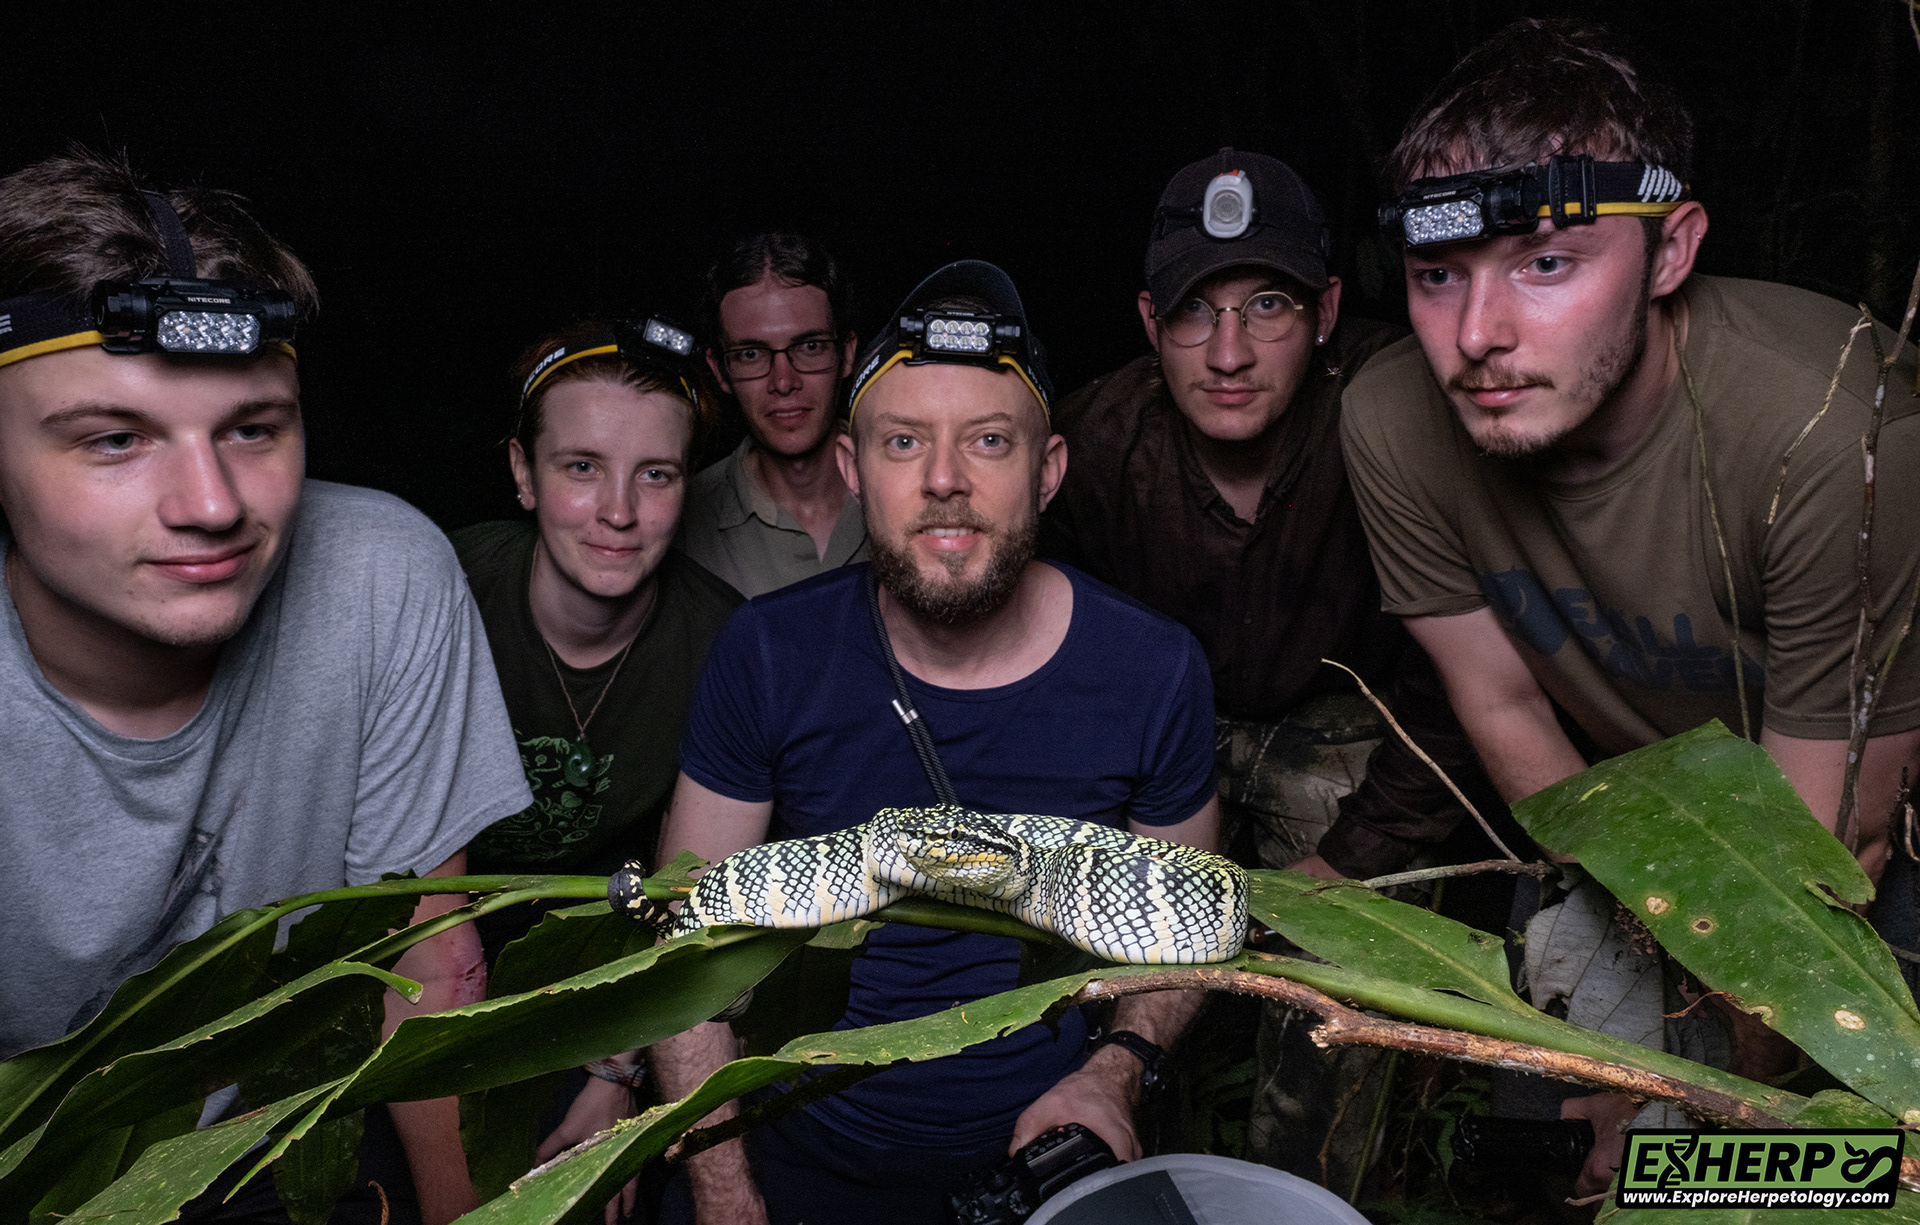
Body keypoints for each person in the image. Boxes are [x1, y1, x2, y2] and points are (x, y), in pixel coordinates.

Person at [1343, 19, 1920, 1196]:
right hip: (1628, 822)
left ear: (1669, 252)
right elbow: (1505, 708)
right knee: (1553, 1148)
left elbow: (1830, 853)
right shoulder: (1393, 421)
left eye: (1547, 264)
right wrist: (1619, 1048)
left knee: (1821, 1176)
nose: (1477, 337)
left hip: (1854, 843)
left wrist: (1688, 1098)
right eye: (1438, 274)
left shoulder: (1835, 434)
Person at [0, 151, 532, 1223]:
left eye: (252, 428)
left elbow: (427, 965)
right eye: (115, 438)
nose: (210, 504)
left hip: (278, 1149)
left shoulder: (383, 575)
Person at [650, 261, 1220, 1225]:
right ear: (852, 468)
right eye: (904, 441)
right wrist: (724, 1190)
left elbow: (1184, 937)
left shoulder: (1153, 669)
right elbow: (686, 946)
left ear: (1048, 472)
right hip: (799, 1147)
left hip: (1040, 1155)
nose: (945, 479)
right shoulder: (769, 651)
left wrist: (1116, 1072)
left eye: (989, 440)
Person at [1039, 147, 1506, 1191]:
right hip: (1169, 729)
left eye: (1268, 304)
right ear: (1149, 321)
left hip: (1349, 720)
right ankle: (1109, 1164)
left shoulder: (1400, 412)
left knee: (1344, 971)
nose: (1229, 351)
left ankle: (1300, 1192)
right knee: (1094, 939)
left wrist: (1350, 862)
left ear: (1328, 309)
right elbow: (1037, 651)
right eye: (1193, 312)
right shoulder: (1090, 443)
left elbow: (1466, 680)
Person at [450, 316, 742, 1222]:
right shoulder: (441, 591)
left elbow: (698, 894)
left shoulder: (727, 645)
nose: (619, 511)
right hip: (432, 976)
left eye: (655, 474)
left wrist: (618, 1075)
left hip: (605, 992)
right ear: (522, 472)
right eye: (582, 466)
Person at [675, 233, 867, 597]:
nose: (783, 382)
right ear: (719, 371)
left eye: (810, 346)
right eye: (750, 354)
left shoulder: (913, 490)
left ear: (846, 354)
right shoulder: (679, 521)